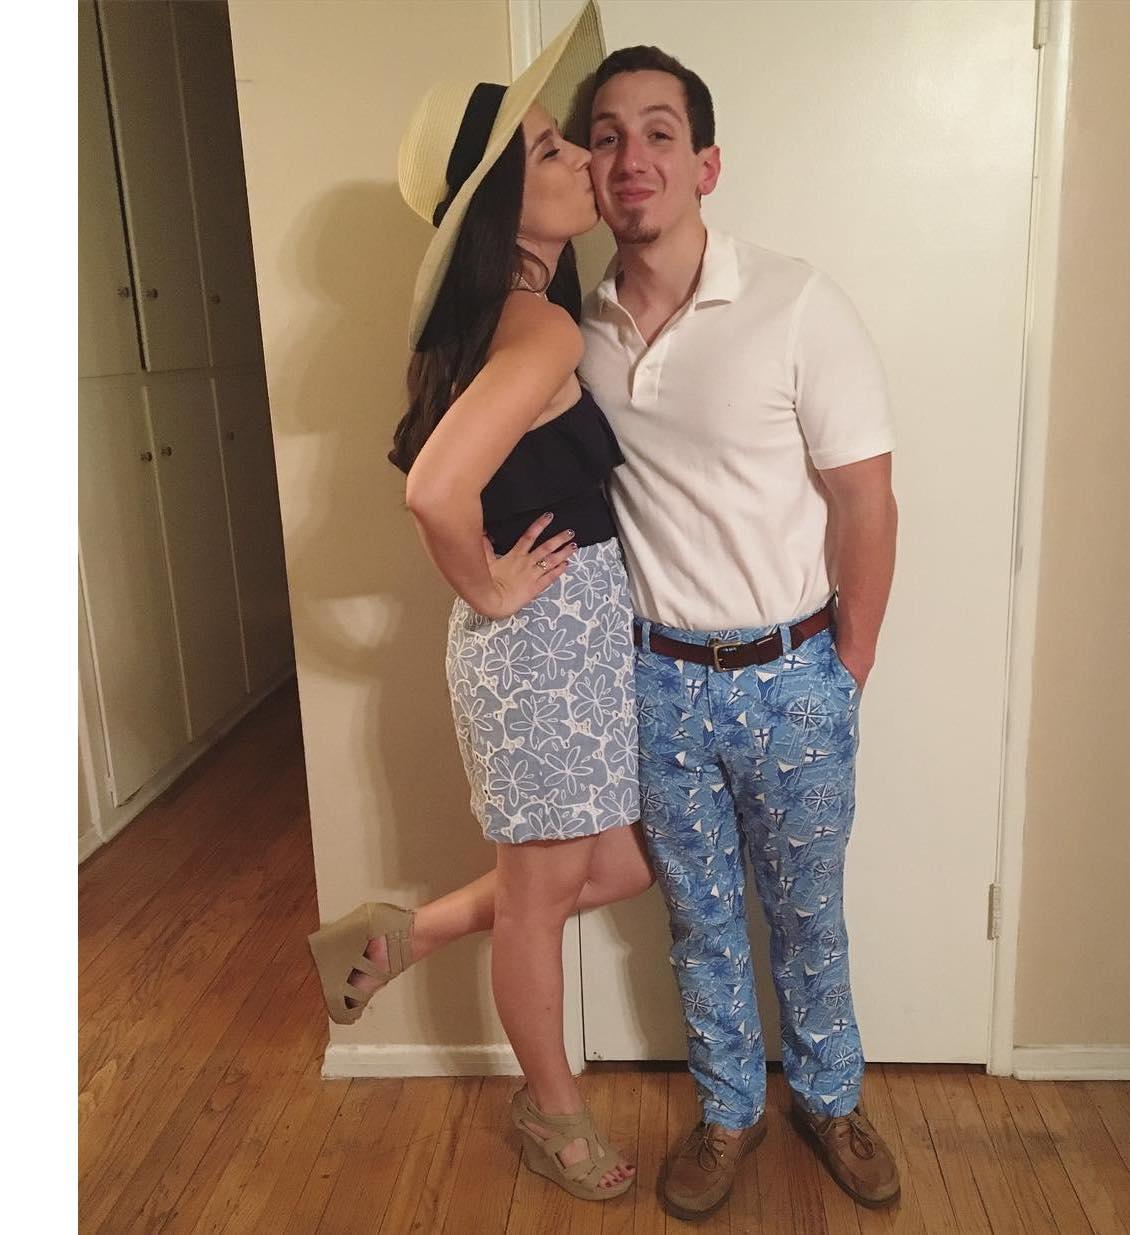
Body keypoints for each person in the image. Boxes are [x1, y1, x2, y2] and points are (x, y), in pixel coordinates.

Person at [306, 4, 653, 1202]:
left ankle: (399, 934)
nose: (581, 159)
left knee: (617, 864)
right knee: (542, 902)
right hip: (539, 653)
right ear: (500, 204)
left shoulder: (507, 320)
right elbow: (436, 490)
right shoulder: (538, 325)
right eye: (550, 150)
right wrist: (493, 586)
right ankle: (553, 1112)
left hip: (560, 652)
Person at [577, 45, 903, 1217]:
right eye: (606, 136)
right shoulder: (574, 329)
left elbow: (865, 498)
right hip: (657, 681)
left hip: (792, 672)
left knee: (808, 913)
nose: (632, 157)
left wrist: (844, 666)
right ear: (589, 169)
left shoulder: (795, 300)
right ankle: (727, 1111)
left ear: (704, 163)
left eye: (659, 132)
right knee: (698, 921)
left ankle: (829, 1097)